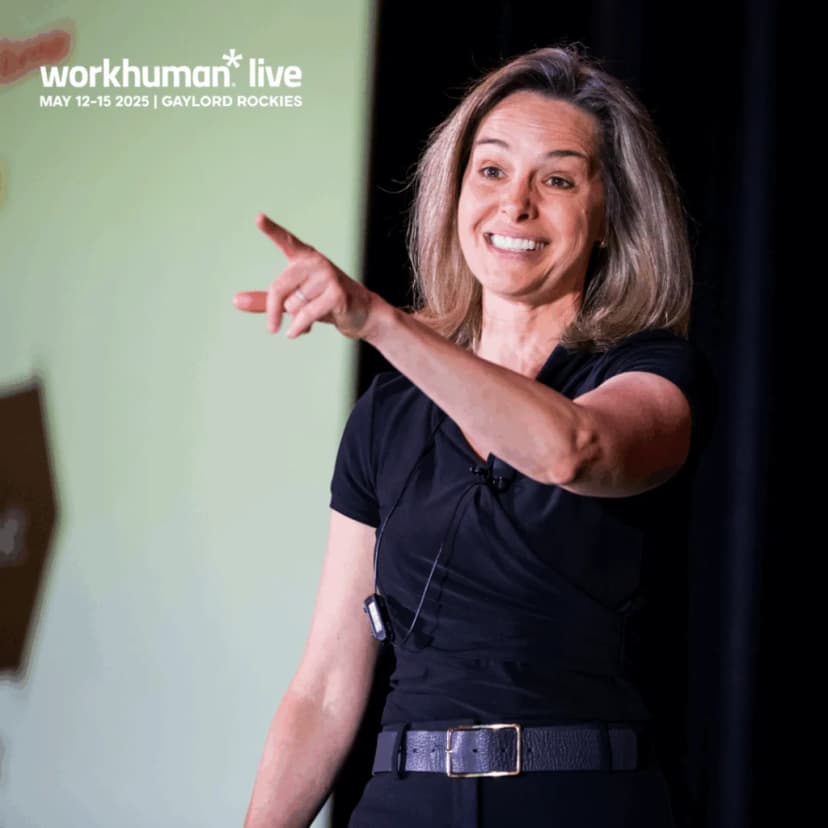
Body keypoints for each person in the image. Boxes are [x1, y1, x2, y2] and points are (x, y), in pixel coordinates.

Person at [235, 43, 708, 828]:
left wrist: (381, 322)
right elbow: (323, 685)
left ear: (606, 220)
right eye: (490, 171)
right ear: (454, 195)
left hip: (580, 799)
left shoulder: (653, 374)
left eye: (556, 179)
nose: (514, 205)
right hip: (402, 801)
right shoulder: (387, 417)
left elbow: (572, 451)